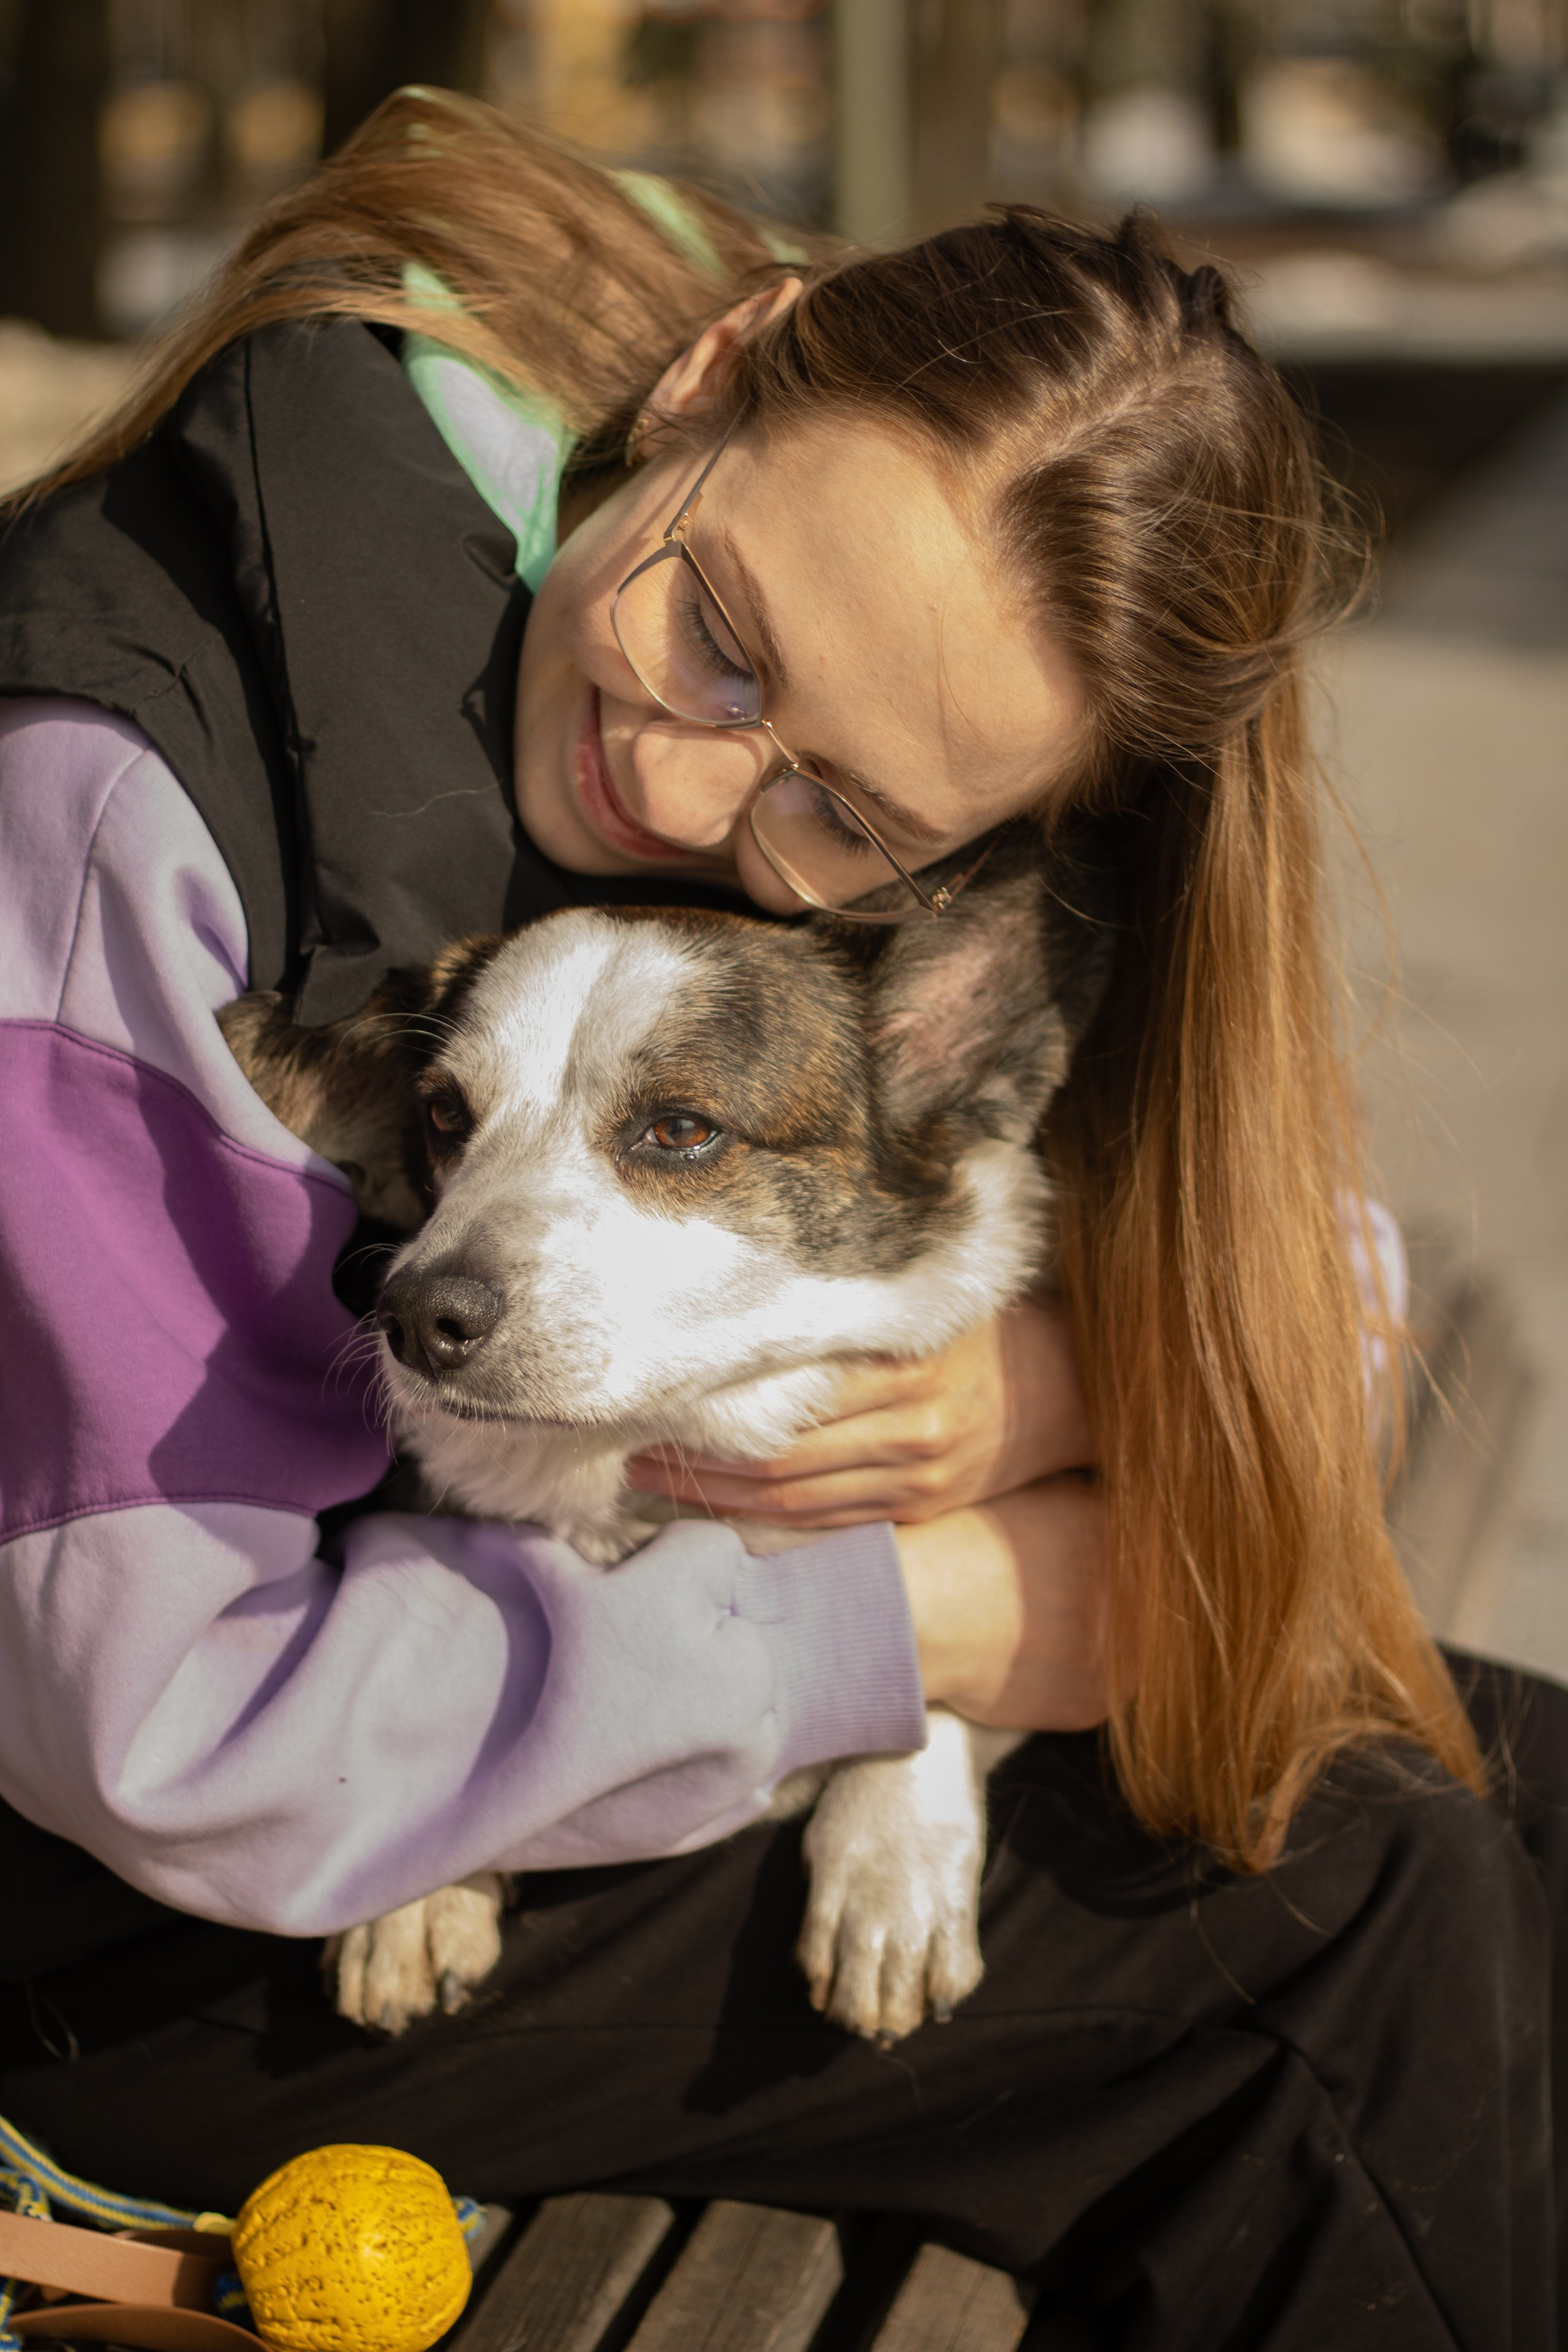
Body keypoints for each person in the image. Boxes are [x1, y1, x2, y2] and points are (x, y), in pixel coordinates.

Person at [0, 87, 1560, 2346]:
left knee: (1510, 1776)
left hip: (519, 1709)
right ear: (730, 366)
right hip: (140, 1923)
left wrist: (1038, 1390)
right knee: (1359, 1940)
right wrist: (918, 1619)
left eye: (841, 805)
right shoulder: (107, 818)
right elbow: (161, 1738)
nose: (690, 786)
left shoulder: (871, 773)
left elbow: (1304, 1261)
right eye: (722, 632)